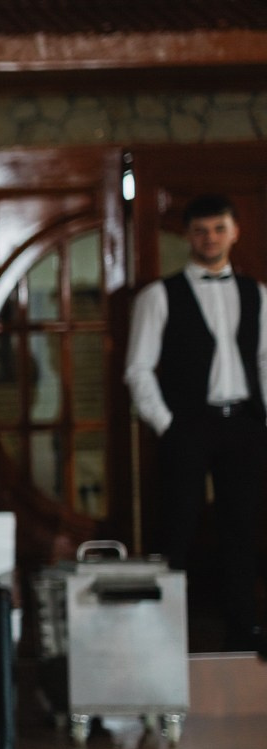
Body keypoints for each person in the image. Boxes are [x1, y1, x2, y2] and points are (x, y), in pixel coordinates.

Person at [124, 194, 266, 654]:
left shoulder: (257, 293)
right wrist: (167, 424)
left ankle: (242, 635)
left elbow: (264, 361)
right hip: (188, 426)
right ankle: (165, 640)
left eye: (219, 229)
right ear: (188, 236)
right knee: (177, 530)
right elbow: (138, 369)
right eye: (202, 231)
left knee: (242, 531)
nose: (210, 239)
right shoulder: (159, 295)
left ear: (234, 232)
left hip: (244, 423)